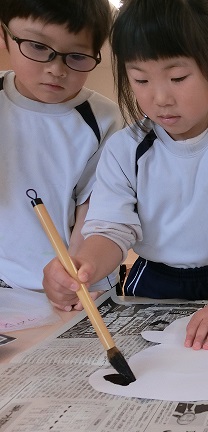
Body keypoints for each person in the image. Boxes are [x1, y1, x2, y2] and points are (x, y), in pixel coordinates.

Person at [43, 0, 208, 351]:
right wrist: (84, 266)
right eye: (141, 79)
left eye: (177, 78)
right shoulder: (124, 148)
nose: (161, 98)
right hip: (154, 280)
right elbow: (111, 230)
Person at [0, 0, 123, 307]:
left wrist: (72, 277)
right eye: (38, 47)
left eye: (77, 56)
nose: (56, 69)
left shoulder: (104, 120)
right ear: (4, 36)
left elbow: (95, 212)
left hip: (79, 285)